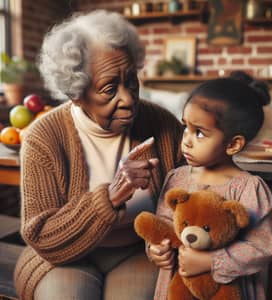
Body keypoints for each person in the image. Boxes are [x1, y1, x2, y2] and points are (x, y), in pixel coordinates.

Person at [14, 10, 183, 300]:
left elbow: (188, 207)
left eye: (131, 81)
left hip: (137, 252)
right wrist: (111, 197)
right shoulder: (43, 137)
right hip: (62, 259)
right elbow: (41, 235)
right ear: (75, 94)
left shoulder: (165, 126)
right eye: (109, 89)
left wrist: (166, 244)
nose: (128, 99)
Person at [147, 71, 272, 300]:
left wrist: (211, 262)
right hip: (176, 288)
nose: (186, 139)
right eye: (185, 126)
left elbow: (261, 248)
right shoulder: (177, 178)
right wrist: (157, 251)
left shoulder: (248, 189)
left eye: (199, 133)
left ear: (233, 144)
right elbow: (162, 226)